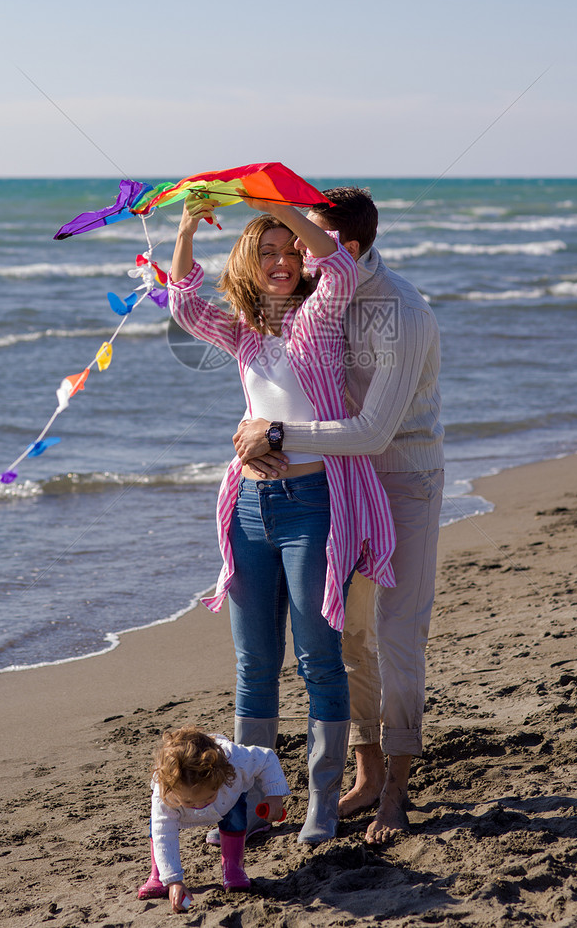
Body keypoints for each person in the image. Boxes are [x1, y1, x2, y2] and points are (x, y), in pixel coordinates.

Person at [168, 193, 396, 845]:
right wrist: (185, 228)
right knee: (254, 665)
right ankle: (252, 804)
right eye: (265, 251)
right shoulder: (243, 332)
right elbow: (183, 304)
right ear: (247, 260)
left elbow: (340, 269)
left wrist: (282, 211)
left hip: (312, 503)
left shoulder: (320, 316)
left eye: (289, 250)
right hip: (247, 506)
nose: (281, 261)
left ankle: (323, 800)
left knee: (319, 659)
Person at [232, 186, 444, 845]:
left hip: (401, 474)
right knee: (347, 636)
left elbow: (375, 432)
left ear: (343, 249)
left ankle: (398, 797)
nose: (295, 251)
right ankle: (368, 771)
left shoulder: (398, 311)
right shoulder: (319, 297)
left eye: (306, 238)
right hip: (336, 484)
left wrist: (276, 437)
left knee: (398, 632)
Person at [137, 725, 289, 910]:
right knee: (159, 826)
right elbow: (164, 835)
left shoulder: (236, 760)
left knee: (235, 815)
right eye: (191, 802)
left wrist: (273, 795)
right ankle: (158, 874)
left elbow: (267, 758)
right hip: (177, 806)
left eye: (208, 797)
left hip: (227, 799)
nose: (200, 806)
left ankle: (234, 868)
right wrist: (173, 881)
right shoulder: (165, 794)